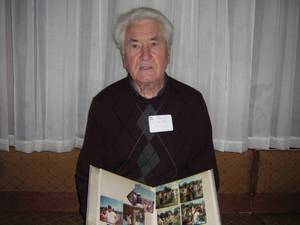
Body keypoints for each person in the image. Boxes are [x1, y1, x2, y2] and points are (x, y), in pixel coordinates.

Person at [76, 7, 219, 219]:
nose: (145, 55)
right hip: (123, 214)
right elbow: (88, 174)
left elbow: (206, 172)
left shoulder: (192, 103)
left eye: (154, 44)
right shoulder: (104, 104)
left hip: (175, 214)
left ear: (168, 53)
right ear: (124, 57)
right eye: (135, 46)